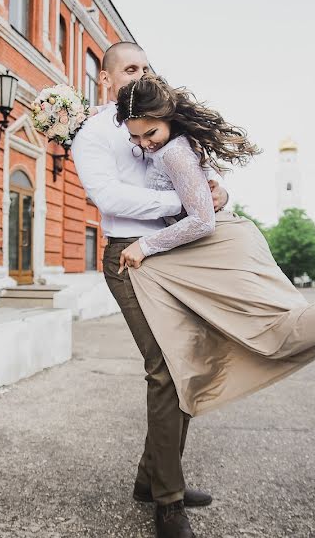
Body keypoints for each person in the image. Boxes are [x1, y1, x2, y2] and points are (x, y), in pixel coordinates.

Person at [113, 74, 315, 441]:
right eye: (135, 137)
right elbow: (205, 201)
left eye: (150, 133)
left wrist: (145, 245)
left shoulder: (173, 151)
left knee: (277, 334)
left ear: (168, 119)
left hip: (219, 248)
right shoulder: (175, 146)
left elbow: (203, 221)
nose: (144, 144)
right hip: (228, 241)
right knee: (297, 319)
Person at [72, 42, 229, 538]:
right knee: (164, 368)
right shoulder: (93, 133)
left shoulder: (160, 121)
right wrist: (180, 201)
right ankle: (168, 500)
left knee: (188, 360)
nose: (140, 73)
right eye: (130, 68)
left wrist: (215, 191)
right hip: (128, 254)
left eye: (146, 66)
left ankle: (154, 480)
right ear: (106, 79)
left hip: (172, 246)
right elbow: (109, 195)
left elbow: (197, 173)